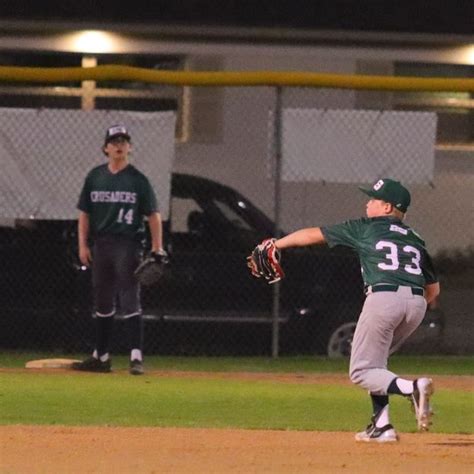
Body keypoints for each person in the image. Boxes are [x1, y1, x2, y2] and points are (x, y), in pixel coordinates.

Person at [272, 178, 440, 442]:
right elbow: (433, 291)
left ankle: (412, 388)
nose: (367, 202)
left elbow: (311, 235)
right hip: (416, 305)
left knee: (361, 371)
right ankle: (381, 426)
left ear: (387, 207)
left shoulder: (366, 228)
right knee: (377, 364)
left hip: (384, 298)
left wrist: (275, 244)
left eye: (373, 199)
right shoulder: (415, 238)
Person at [72, 124, 166, 375]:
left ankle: (136, 357)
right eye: (114, 141)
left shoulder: (138, 180)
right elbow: (84, 215)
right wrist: (82, 244)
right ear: (105, 148)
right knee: (102, 301)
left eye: (123, 141)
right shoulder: (95, 177)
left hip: (128, 243)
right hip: (102, 243)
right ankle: (101, 356)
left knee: (128, 298)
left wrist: (157, 248)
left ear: (130, 147)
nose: (119, 145)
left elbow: (154, 216)